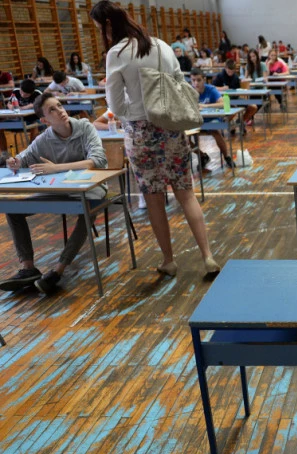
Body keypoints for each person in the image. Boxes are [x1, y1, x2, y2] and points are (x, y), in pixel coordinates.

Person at [92, 0, 220, 278]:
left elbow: (115, 103)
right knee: (186, 194)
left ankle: (169, 260)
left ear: (108, 25)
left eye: (100, 27)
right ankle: (208, 256)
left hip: (141, 133)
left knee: (154, 199)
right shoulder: (161, 45)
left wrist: (135, 113)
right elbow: (179, 81)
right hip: (170, 126)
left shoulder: (117, 53)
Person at [0, 92, 108, 295]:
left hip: (93, 188)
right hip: (61, 190)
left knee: (86, 209)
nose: (60, 110)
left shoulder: (85, 127)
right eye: (52, 110)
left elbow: (98, 161)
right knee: (12, 209)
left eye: (59, 105)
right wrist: (15, 162)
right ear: (44, 120)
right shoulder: (44, 138)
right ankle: (28, 268)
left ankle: (58, 271)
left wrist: (56, 168)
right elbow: (24, 157)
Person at [190, 68, 235, 170]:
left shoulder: (211, 89)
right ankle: (202, 156)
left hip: (211, 119)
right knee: (184, 136)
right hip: (197, 120)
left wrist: (205, 106)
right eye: (193, 80)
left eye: (198, 80)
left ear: (204, 79)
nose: (196, 83)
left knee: (215, 130)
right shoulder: (189, 91)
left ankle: (227, 157)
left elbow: (222, 104)